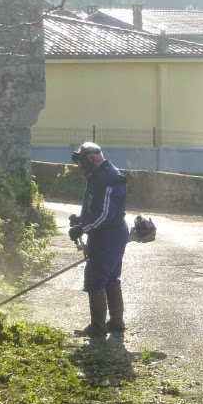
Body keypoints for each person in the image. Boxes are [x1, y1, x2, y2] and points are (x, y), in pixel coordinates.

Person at [68, 142, 130, 337]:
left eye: (82, 163)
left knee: (95, 278)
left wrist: (82, 227)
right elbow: (95, 207)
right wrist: (81, 219)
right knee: (110, 277)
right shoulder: (97, 176)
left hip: (109, 236)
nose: (80, 167)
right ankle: (116, 323)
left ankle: (98, 327)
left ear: (92, 159)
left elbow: (105, 215)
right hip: (106, 234)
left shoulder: (110, 179)